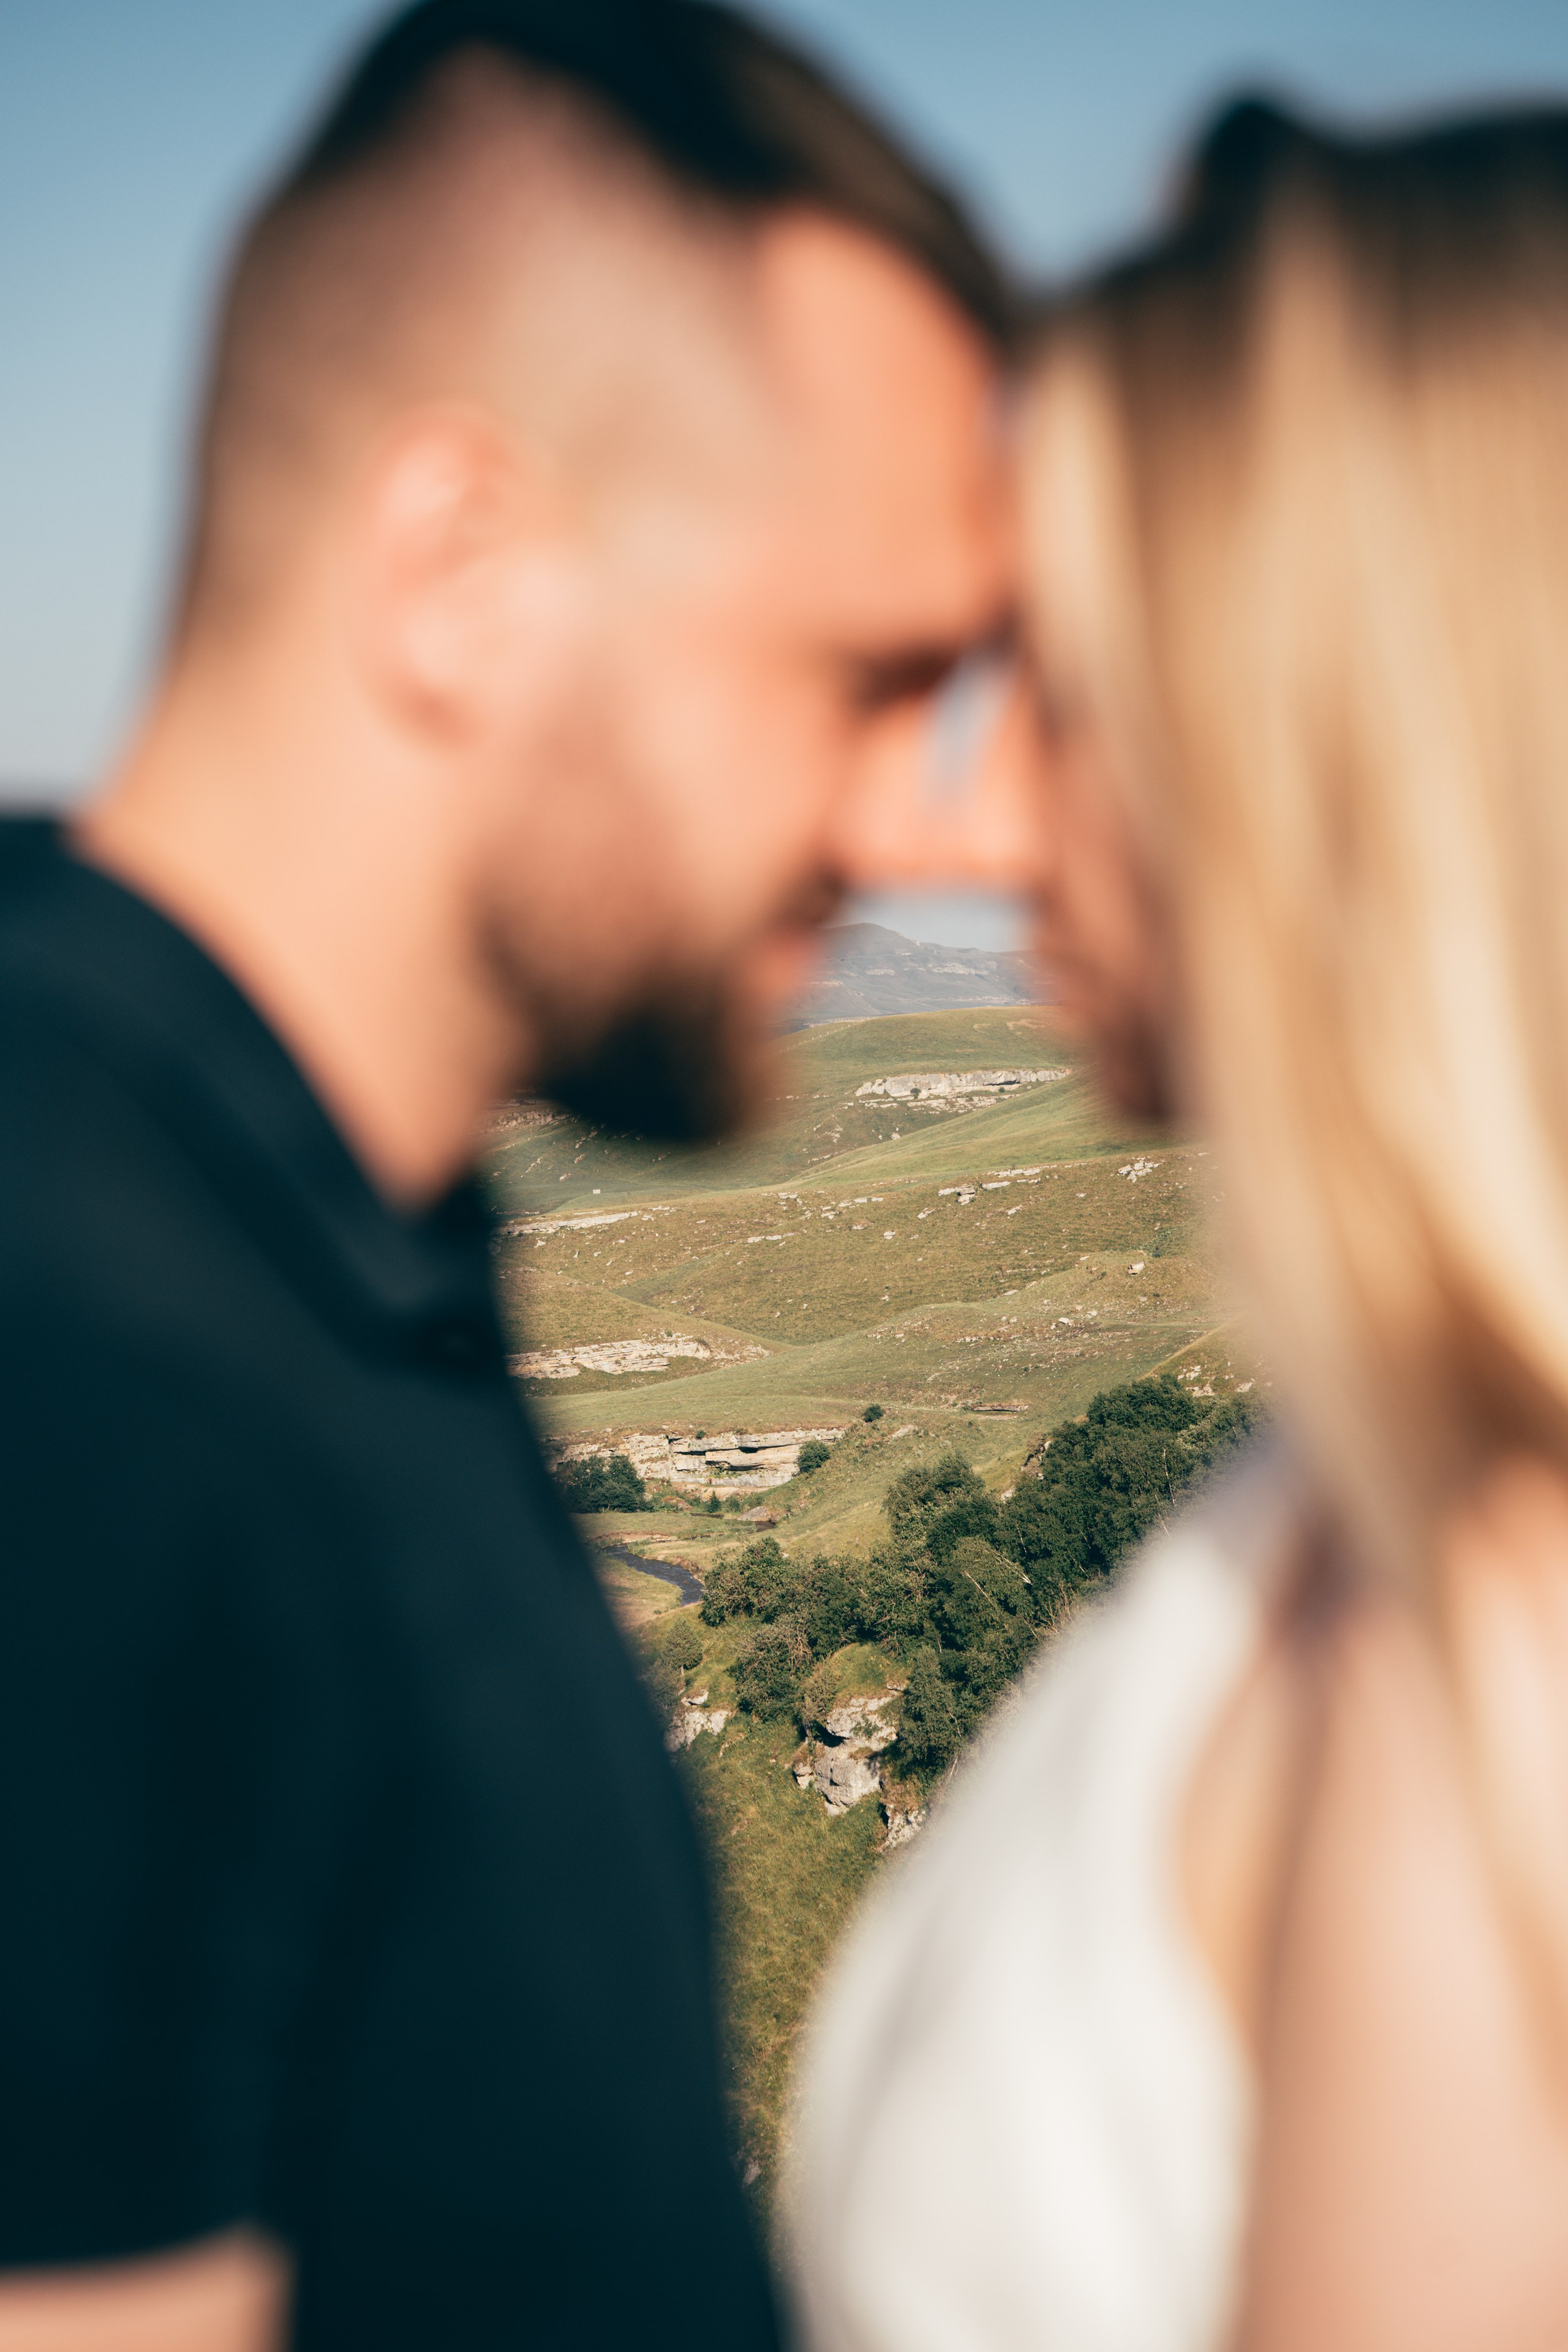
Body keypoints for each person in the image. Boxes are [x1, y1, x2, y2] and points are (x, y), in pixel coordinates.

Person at [0, 4, 1019, 2345]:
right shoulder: (73, 1359)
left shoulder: (304, 1244)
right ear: (458, 564)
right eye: (860, 676)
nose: (916, 825)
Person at [786, 97, 1568, 2352]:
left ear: (1313, 731)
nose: (955, 818)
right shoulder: (1352, 1500)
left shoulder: (1481, 1667)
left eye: (1052, 678)